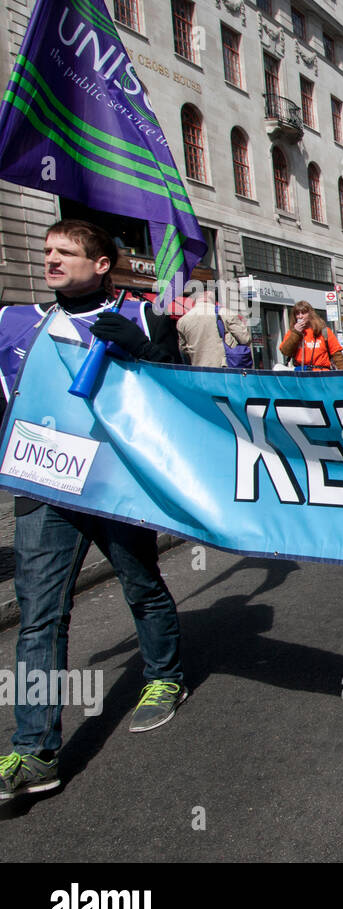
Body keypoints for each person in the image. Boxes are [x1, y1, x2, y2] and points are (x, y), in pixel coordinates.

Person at [0, 220, 188, 800]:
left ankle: (164, 677)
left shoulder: (141, 317)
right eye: (48, 251)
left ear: (102, 264)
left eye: (67, 253)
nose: (51, 260)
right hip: (44, 484)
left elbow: (179, 393)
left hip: (115, 485)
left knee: (142, 584)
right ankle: (35, 752)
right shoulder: (13, 321)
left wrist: (148, 350)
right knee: (40, 617)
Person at [177, 290, 250, 368]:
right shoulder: (225, 313)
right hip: (224, 367)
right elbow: (245, 339)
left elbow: (183, 348)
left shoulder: (182, 321)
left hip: (198, 369)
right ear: (213, 300)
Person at [280, 301, 343, 370]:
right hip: (301, 372)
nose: (300, 316)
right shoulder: (292, 332)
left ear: (310, 314)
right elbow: (285, 351)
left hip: (321, 373)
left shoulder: (324, 331)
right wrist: (296, 333)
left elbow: (337, 354)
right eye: (297, 314)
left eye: (303, 313)